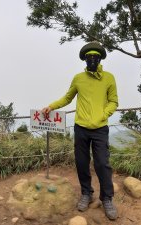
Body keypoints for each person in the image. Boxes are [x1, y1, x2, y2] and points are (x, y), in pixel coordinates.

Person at [42, 41, 118, 220]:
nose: (92, 59)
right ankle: (86, 193)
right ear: (84, 59)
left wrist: (103, 114)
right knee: (82, 162)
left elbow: (114, 101)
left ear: (100, 59)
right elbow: (68, 98)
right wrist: (51, 106)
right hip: (81, 127)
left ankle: (107, 198)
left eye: (95, 57)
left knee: (102, 163)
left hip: (100, 128)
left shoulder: (109, 78)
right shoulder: (78, 78)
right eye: (89, 57)